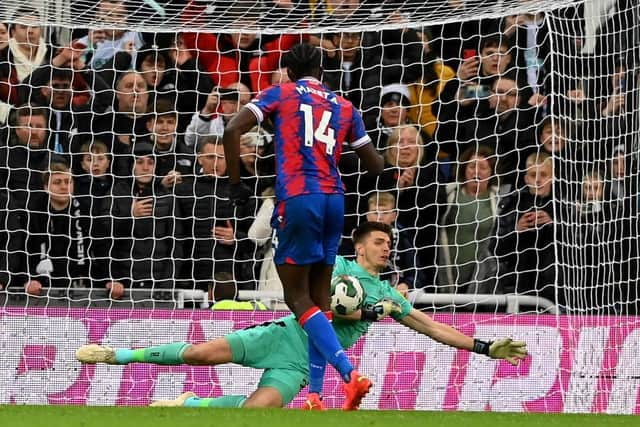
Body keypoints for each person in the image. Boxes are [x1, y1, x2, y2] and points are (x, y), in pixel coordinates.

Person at [75, 221, 528, 409]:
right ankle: (118, 354)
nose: (385, 247)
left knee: (259, 410)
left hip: (301, 364)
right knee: (200, 354)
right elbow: (327, 303)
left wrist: (485, 347)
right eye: (378, 241)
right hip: (285, 335)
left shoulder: (392, 294)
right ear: (360, 246)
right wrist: (369, 309)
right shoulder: (340, 267)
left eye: (389, 243)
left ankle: (190, 404)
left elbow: (433, 328)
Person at [222, 42, 384, 410]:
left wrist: (236, 184)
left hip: (298, 197)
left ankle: (349, 373)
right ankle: (315, 394)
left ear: (290, 72)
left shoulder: (283, 93)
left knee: (296, 296)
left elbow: (233, 130)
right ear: (324, 71)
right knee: (319, 298)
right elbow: (375, 165)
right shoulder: (344, 106)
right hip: (334, 200)